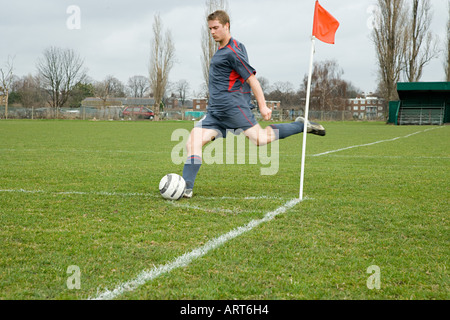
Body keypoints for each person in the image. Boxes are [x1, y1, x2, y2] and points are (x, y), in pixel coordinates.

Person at [182, 10, 325, 198]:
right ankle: (186, 188)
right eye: (210, 29)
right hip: (216, 112)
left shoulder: (233, 52)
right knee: (193, 142)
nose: (212, 32)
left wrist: (263, 105)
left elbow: (252, 80)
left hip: (233, 109)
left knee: (261, 139)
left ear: (227, 26)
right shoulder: (228, 48)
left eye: (216, 28)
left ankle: (300, 125)